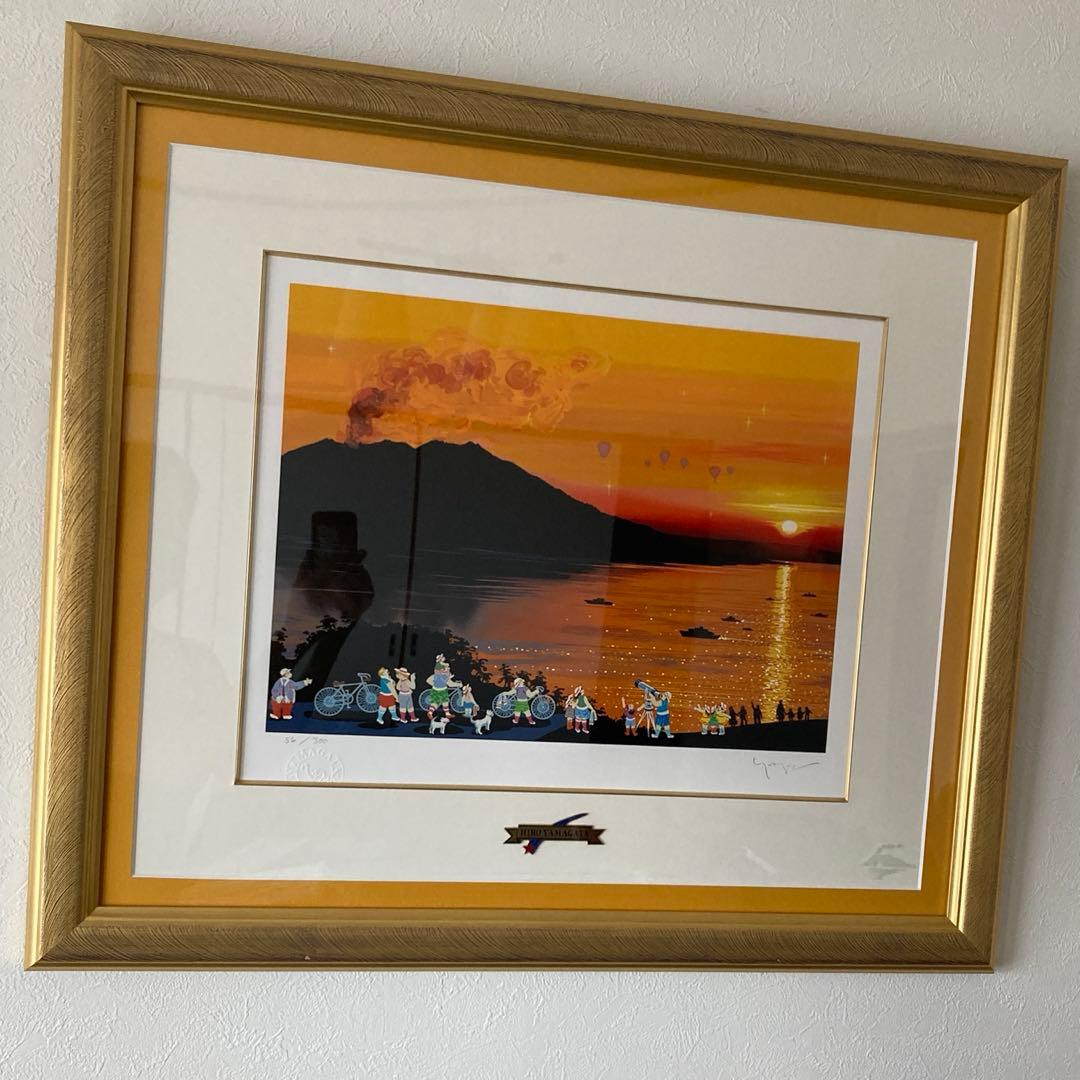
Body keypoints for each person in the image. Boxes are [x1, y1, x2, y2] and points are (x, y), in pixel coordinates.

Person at [425, 654, 460, 720]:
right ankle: (447, 714)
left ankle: (430, 712)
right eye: (447, 668)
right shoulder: (444, 675)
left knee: (435, 703)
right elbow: (450, 684)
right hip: (443, 690)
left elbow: (428, 680)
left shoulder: (436, 675)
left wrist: (435, 685)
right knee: (445, 702)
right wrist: (459, 685)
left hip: (435, 690)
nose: (448, 669)